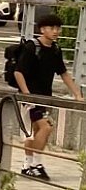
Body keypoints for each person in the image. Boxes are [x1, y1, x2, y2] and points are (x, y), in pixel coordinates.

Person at [14, 14, 84, 180]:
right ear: (42, 29)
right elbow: (18, 72)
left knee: (36, 131)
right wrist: (27, 94)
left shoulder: (55, 49)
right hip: (30, 97)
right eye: (52, 28)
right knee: (47, 127)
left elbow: (63, 73)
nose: (56, 31)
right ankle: (36, 164)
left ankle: (27, 165)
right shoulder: (32, 47)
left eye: (58, 28)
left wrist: (77, 94)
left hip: (46, 97)